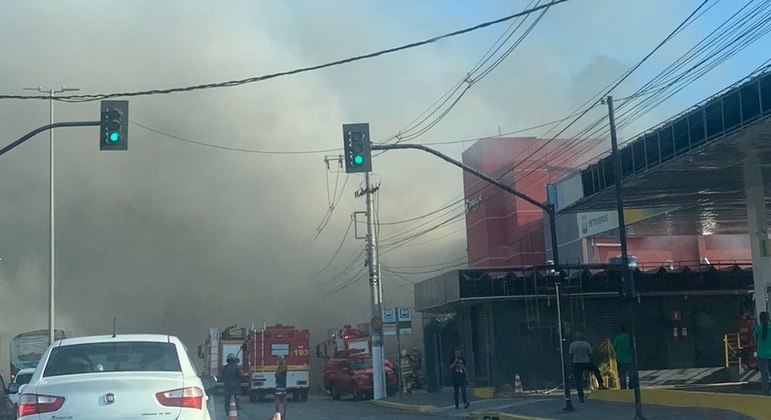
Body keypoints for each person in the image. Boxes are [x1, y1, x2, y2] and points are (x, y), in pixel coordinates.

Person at [569, 331, 606, 402]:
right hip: (586, 362)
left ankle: (581, 397)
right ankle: (601, 384)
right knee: (596, 370)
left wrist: (571, 364)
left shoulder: (573, 345)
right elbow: (590, 354)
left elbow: (571, 355)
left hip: (576, 363)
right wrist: (593, 361)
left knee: (578, 380)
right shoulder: (586, 344)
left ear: (576, 337)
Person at [753, 311, 771, 395]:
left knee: (764, 376)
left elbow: (755, 339)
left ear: (760, 319)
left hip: (762, 355)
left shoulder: (758, 329)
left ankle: (766, 393)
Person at [274, 355, 288, 419]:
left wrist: (277, 373)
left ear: (281, 359)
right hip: (280, 383)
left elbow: (276, 373)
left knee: (279, 398)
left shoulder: (283, 366)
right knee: (281, 398)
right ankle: (280, 414)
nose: (278, 361)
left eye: (278, 359)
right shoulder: (281, 366)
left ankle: (281, 414)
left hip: (281, 384)